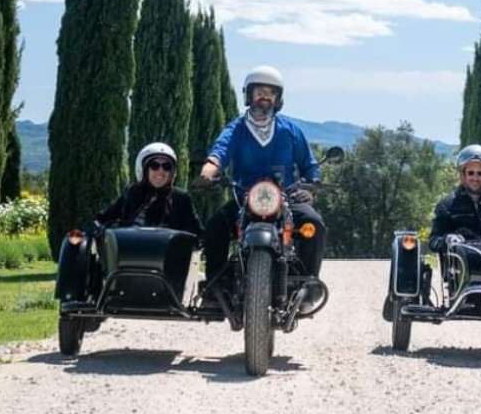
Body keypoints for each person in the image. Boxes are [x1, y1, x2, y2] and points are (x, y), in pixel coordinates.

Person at [199, 65, 326, 285]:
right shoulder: (236, 129)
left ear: (278, 99)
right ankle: (215, 287)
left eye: (270, 94)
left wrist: (311, 189)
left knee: (315, 224)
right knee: (215, 226)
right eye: (259, 92)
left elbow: (310, 165)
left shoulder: (290, 131)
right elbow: (220, 151)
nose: (264, 98)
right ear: (249, 95)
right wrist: (209, 170)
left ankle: (306, 282)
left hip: (286, 197)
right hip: (244, 198)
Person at [94, 142, 203, 237]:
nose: (160, 171)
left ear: (172, 172)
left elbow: (197, 232)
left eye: (166, 166)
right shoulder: (132, 192)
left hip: (165, 257)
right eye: (154, 165)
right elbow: (103, 218)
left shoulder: (181, 198)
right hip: (128, 254)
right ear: (145, 169)